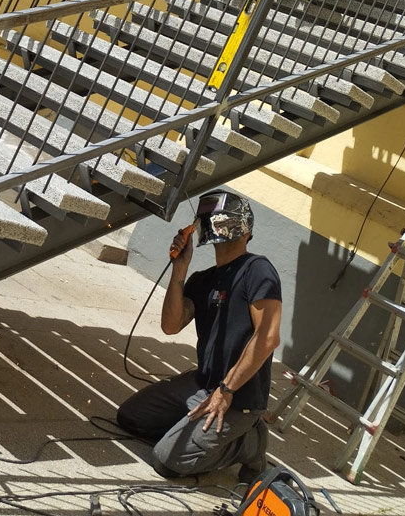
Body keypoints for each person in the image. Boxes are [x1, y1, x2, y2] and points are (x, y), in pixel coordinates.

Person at [117, 191, 282, 481]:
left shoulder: (258, 269)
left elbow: (267, 338)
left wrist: (226, 390)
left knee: (167, 460)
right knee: (130, 417)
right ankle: (194, 429)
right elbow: (171, 325)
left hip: (238, 396)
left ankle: (250, 443)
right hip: (201, 384)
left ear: (246, 230)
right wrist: (180, 270)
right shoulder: (202, 280)